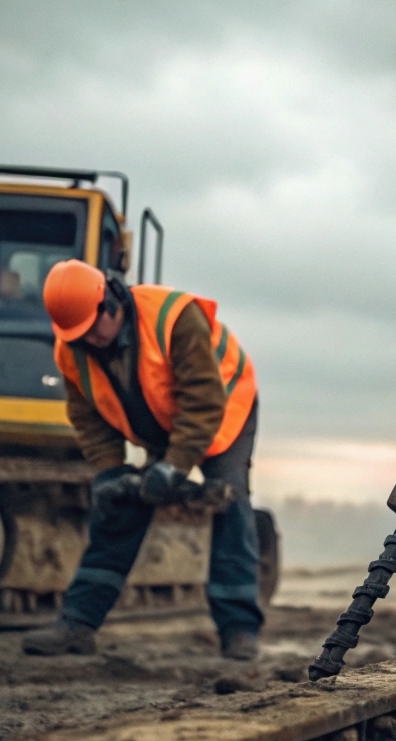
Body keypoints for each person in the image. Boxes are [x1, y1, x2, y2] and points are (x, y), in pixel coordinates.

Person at [22, 259, 264, 661]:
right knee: (120, 505)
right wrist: (109, 471)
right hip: (164, 420)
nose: (89, 343)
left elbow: (203, 404)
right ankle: (78, 623)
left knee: (230, 502)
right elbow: (88, 417)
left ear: (110, 302)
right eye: (77, 337)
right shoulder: (73, 347)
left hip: (224, 408)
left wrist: (174, 466)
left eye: (92, 331)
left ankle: (239, 631)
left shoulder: (175, 319)